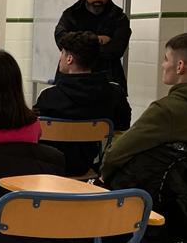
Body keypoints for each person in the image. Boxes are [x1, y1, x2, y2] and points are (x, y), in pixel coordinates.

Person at [101, 32, 187, 184]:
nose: (163, 65)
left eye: (166, 59)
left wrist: (102, 177)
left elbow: (116, 155)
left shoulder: (166, 110)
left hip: (165, 191)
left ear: (180, 66)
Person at [34, 30, 132, 175]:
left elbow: (35, 132)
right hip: (91, 169)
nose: (60, 58)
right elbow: (123, 126)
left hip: (51, 170)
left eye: (62, 53)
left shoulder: (48, 97)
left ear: (69, 59)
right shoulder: (114, 93)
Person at [55, 0, 131, 93]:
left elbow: (116, 50)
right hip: (71, 82)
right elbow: (60, 38)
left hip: (108, 82)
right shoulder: (71, 14)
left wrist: (78, 47)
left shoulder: (119, 17)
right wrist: (96, 39)